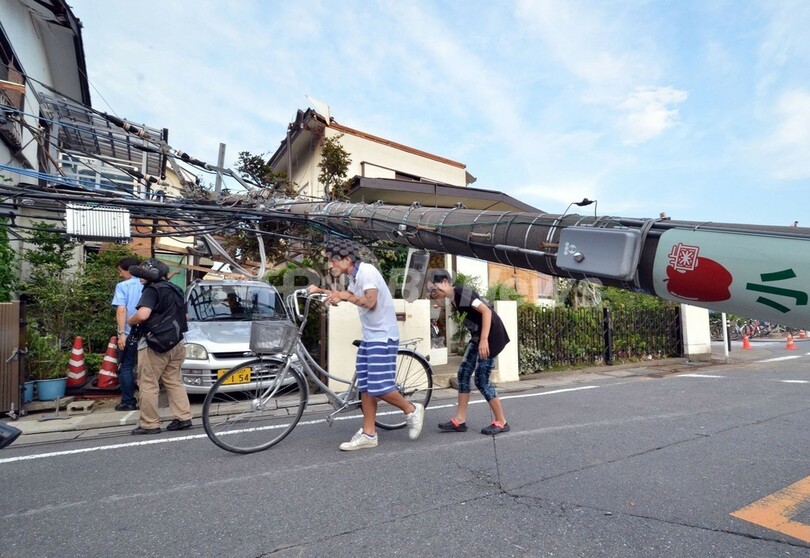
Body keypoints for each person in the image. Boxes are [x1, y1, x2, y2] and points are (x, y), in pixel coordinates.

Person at [308, 238, 424, 451]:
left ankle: (411, 409)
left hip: (383, 336)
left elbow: (370, 302)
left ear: (347, 259)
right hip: (370, 337)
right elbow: (349, 296)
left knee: (379, 387)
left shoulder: (367, 272)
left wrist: (344, 296)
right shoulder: (354, 277)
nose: (330, 265)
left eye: (333, 260)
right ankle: (369, 434)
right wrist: (321, 291)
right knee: (366, 387)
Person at [426, 269, 511, 435]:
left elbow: (486, 311)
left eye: (434, 289)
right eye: (430, 291)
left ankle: (502, 421)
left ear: (444, 281)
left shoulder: (461, 292)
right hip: (478, 337)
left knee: (481, 379)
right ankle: (459, 420)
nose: (433, 293)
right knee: (464, 374)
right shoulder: (453, 298)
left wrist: (484, 339)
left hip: (491, 337)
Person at [127, 258, 192, 435]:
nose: (141, 278)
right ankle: (183, 417)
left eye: (143, 275)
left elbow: (142, 315)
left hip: (153, 344)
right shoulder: (176, 289)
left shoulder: (152, 290)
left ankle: (150, 424)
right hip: (177, 343)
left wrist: (129, 320)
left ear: (152, 276)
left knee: (148, 383)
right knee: (174, 381)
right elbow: (184, 317)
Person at [111, 256, 142, 412]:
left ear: (128, 270)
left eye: (121, 271)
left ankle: (128, 401)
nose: (120, 274)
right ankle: (147, 399)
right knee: (146, 367)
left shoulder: (123, 286)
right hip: (148, 334)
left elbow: (121, 309)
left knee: (126, 367)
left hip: (130, 333)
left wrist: (122, 333)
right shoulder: (149, 284)